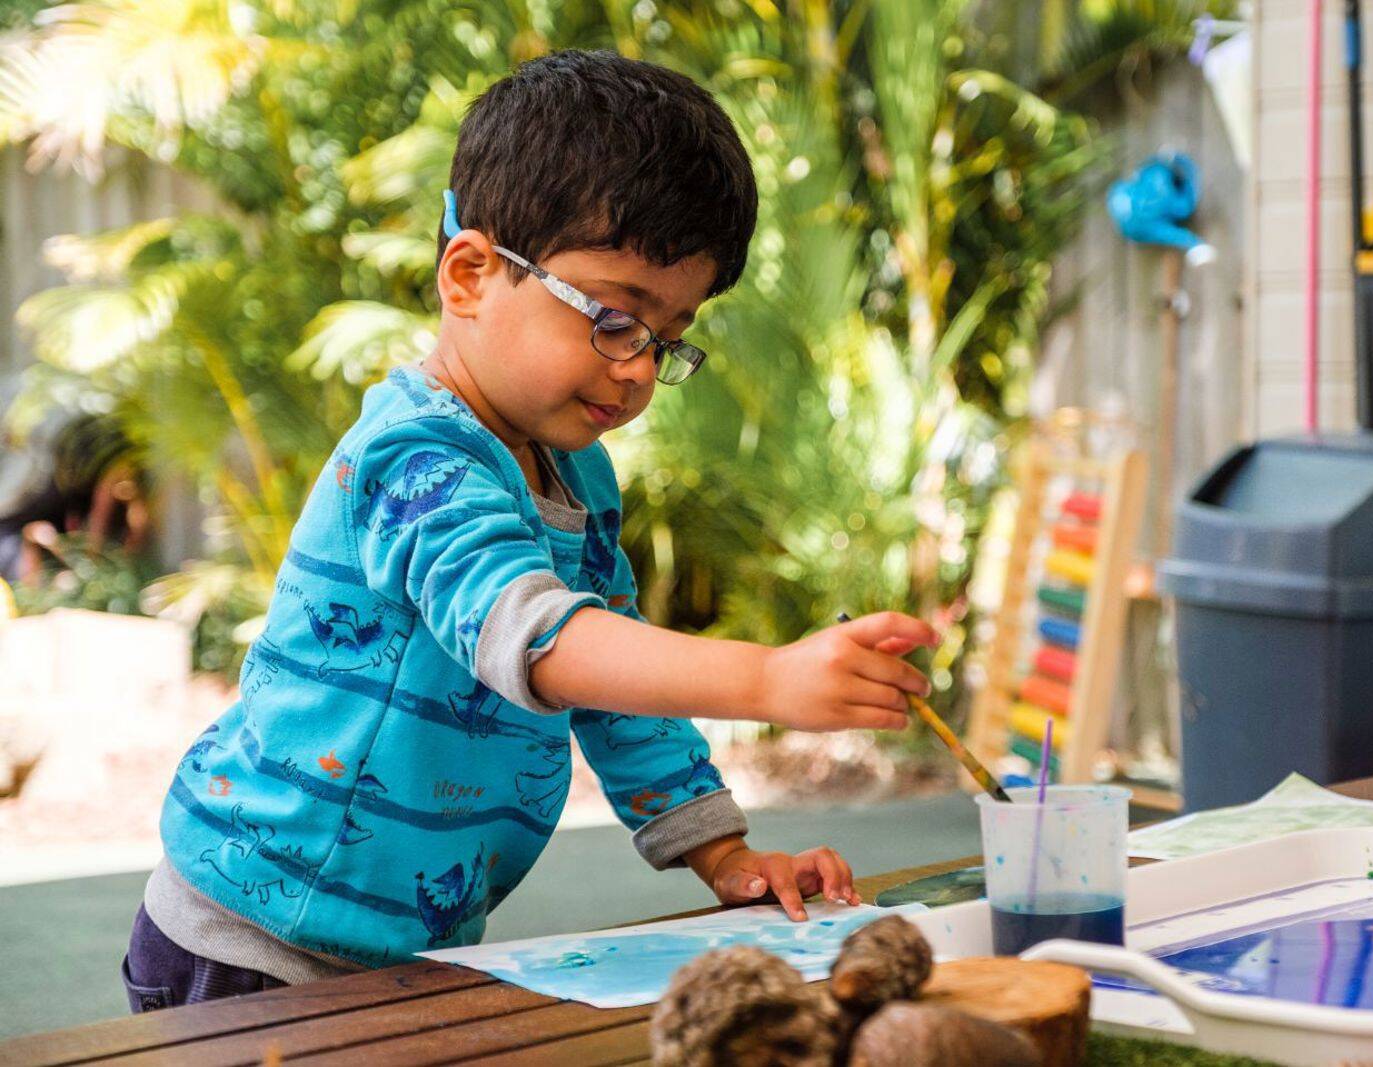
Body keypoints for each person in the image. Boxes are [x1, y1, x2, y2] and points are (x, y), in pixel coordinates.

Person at [122, 49, 938, 1012]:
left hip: (405, 943)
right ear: (469, 275)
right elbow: (541, 639)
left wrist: (722, 854)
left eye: (669, 339)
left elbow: (615, 689)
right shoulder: (414, 457)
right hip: (255, 940)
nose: (638, 370)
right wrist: (768, 678)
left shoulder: (578, 473)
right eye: (615, 319)